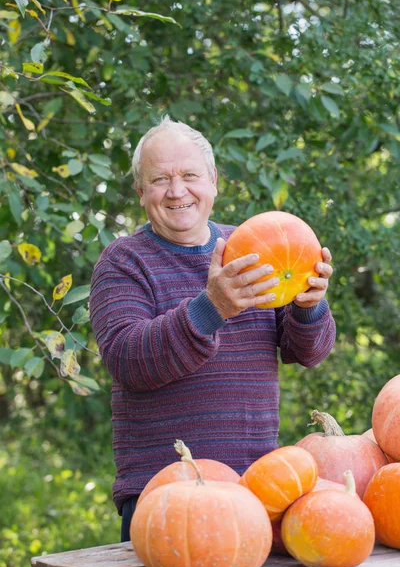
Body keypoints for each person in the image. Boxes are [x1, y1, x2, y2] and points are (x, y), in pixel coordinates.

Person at [89, 116, 336, 542]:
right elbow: (129, 361)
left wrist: (310, 306)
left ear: (214, 180)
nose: (177, 190)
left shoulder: (255, 248)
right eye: (160, 179)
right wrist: (212, 308)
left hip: (257, 490)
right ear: (141, 192)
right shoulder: (122, 262)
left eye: (189, 175)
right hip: (165, 493)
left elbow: (307, 352)